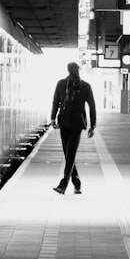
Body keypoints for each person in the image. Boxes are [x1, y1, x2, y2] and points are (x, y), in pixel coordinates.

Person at [50, 62, 96, 194]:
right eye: (73, 70)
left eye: (75, 70)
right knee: (68, 154)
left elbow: (92, 106)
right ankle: (77, 183)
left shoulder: (85, 86)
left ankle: (63, 184)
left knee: (70, 154)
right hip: (63, 122)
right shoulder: (61, 84)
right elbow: (56, 102)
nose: (75, 72)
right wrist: (53, 118)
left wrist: (93, 125)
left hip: (77, 124)